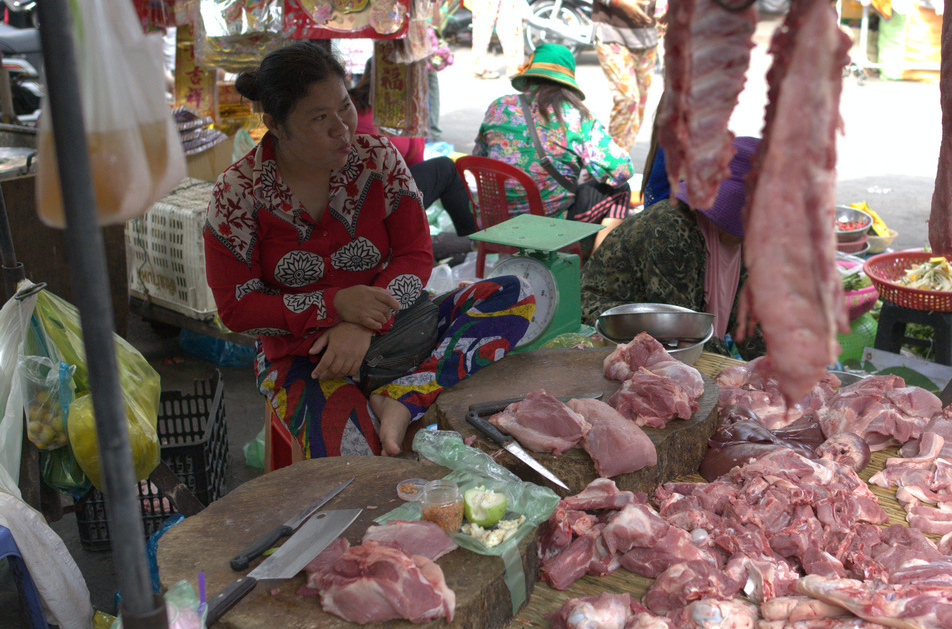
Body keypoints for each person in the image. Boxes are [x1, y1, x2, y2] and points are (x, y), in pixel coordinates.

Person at [204, 42, 533, 458]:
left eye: (344, 107)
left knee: (516, 293)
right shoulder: (238, 194)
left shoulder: (378, 159)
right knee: (360, 460)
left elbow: (415, 255)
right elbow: (237, 307)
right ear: (275, 125)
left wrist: (362, 322)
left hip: (398, 326)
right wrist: (335, 305)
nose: (342, 128)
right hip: (306, 359)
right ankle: (396, 399)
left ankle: (404, 396)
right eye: (319, 118)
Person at [581, 136, 765, 359]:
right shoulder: (670, 229)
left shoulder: (740, 241)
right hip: (611, 329)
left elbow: (748, 320)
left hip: (672, 338)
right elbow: (682, 332)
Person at [472, 43, 634, 251]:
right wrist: (597, 173)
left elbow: (479, 160)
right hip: (546, 226)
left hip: (493, 222)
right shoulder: (575, 116)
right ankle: (596, 273)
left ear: (530, 77)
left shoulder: (499, 106)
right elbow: (622, 170)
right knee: (620, 190)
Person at [349, 59, 478, 237]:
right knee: (445, 168)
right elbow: (413, 165)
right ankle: (475, 240)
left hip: (344, 193)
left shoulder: (348, 101)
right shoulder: (409, 111)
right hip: (377, 198)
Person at [576, 0, 659, 152]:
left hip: (647, 36)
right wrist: (619, 1)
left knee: (639, 107)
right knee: (627, 100)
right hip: (612, 31)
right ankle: (607, 164)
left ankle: (619, 161)